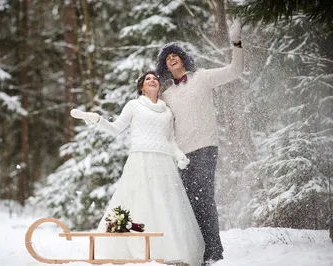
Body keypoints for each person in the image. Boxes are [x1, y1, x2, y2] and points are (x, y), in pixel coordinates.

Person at [70, 71, 204, 265]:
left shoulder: (167, 110)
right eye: (147, 79)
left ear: (159, 86)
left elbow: (170, 139)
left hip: (164, 163)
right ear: (141, 87)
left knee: (165, 205)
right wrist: (97, 119)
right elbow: (116, 129)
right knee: (140, 201)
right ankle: (137, 249)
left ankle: (169, 251)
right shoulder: (134, 105)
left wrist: (179, 154)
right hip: (140, 160)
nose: (152, 81)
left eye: (155, 79)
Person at [155, 20, 244, 265]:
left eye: (175, 55)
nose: (171, 58)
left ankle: (214, 253)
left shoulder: (202, 78)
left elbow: (235, 70)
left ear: (183, 59)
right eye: (167, 58)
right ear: (164, 66)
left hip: (205, 147)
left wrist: (236, 42)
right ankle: (195, 252)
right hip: (181, 155)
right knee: (186, 203)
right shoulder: (166, 94)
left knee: (203, 198)